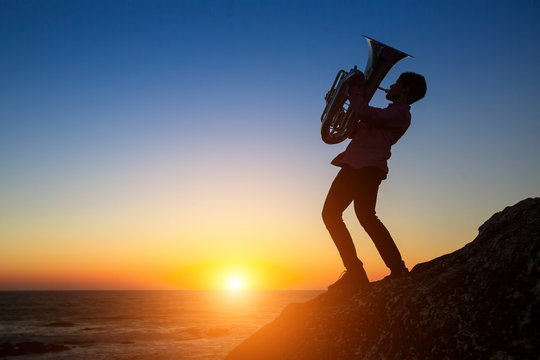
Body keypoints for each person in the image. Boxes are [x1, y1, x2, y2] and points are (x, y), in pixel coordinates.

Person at [322, 72, 427, 293]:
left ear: (405, 90)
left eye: (397, 83)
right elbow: (355, 129)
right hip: (353, 165)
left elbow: (365, 113)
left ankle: (392, 269)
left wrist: (353, 89)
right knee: (336, 215)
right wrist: (336, 105)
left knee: (365, 217)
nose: (391, 85)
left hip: (368, 169)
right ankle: (357, 272)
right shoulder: (387, 113)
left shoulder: (400, 115)